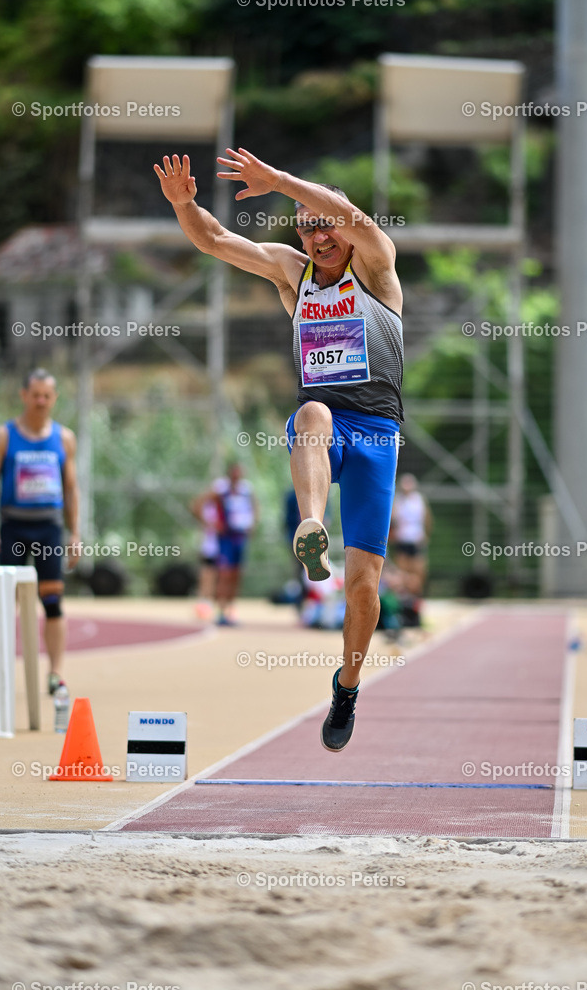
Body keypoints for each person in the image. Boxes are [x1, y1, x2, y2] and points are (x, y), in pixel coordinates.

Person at [155, 148, 403, 751]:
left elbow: (352, 215)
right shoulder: (290, 274)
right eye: (306, 224)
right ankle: (311, 527)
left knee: (365, 586)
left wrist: (279, 181)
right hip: (326, 426)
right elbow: (214, 240)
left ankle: (347, 684)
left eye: (325, 224)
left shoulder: (374, 268)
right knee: (311, 414)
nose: (318, 235)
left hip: (378, 433)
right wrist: (185, 204)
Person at [0, 369, 80, 693]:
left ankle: (55, 674)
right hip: (13, 527)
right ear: (24, 395)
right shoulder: (4, 435)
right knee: (5, 603)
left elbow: (71, 487)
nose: (40, 401)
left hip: (49, 529)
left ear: (54, 399)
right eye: (35, 395)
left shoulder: (64, 438)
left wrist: (75, 532)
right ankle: (3, 673)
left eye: (47, 396)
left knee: (52, 600)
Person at [213, 463, 257, 626]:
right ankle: (220, 611)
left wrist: (253, 524)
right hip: (226, 537)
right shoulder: (220, 489)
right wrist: (212, 523)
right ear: (230, 474)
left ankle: (231, 610)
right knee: (225, 574)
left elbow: (254, 506)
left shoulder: (246, 489)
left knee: (236, 574)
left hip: (241, 536)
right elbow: (202, 503)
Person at [390, 472, 431, 599]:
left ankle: (417, 595)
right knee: (402, 569)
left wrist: (426, 534)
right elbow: (393, 519)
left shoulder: (418, 500)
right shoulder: (398, 500)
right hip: (402, 539)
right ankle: (404, 596)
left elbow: (427, 518)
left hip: (415, 538)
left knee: (419, 569)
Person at [190, 486, 221, 621]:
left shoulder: (224, 508)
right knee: (207, 574)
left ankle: (213, 603)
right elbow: (195, 508)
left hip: (224, 546)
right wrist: (207, 494)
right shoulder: (208, 508)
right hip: (209, 545)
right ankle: (203, 602)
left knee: (219, 576)